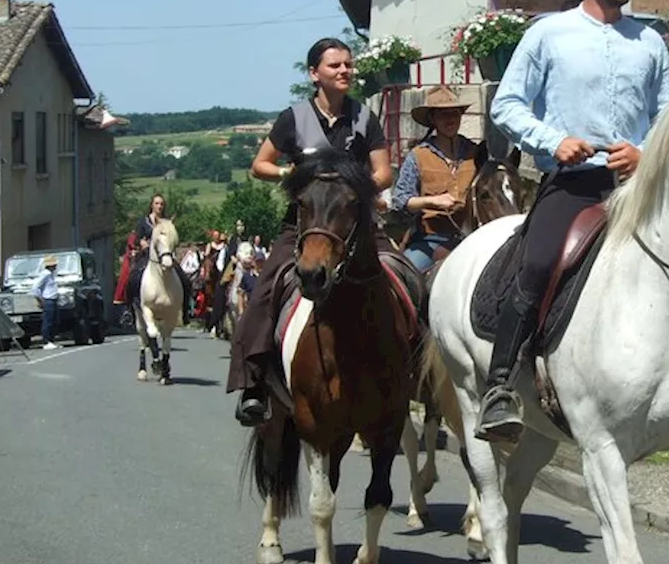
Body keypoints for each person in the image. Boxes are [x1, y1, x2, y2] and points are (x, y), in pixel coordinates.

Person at [474, 0, 669, 444]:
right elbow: (507, 104)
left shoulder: (651, 42)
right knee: (539, 262)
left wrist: (647, 151)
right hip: (573, 184)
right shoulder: (548, 34)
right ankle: (500, 387)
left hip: (638, 184)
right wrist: (554, 139)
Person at [227, 37, 393, 426]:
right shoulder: (293, 118)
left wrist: (364, 186)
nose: (345, 71)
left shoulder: (364, 117)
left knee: (403, 277)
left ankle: (416, 371)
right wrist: (292, 173)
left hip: (353, 224)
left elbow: (384, 171)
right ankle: (254, 384)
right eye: (335, 66)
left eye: (348, 65)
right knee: (265, 292)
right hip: (304, 224)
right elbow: (260, 165)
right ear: (314, 73)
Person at [391, 85, 479, 272]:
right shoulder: (418, 156)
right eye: (443, 115)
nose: (450, 120)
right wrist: (433, 201)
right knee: (405, 276)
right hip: (430, 240)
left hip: (472, 238)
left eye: (454, 114)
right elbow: (400, 199)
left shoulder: (476, 153)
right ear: (432, 119)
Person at [121, 194, 192, 320]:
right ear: (152, 205)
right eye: (157, 203)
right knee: (132, 278)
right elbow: (137, 238)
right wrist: (141, 243)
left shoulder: (167, 222)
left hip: (165, 255)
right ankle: (129, 308)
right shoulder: (144, 221)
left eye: (161, 204)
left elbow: (174, 238)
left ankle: (185, 310)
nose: (159, 206)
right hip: (148, 255)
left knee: (185, 280)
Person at [32, 255, 60, 350]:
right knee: (47, 321)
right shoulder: (46, 274)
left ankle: (51, 340)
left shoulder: (51, 274)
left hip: (53, 300)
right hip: (48, 300)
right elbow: (35, 288)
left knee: (53, 321)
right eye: (54, 264)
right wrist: (40, 300)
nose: (56, 266)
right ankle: (46, 341)